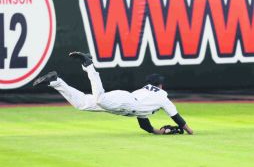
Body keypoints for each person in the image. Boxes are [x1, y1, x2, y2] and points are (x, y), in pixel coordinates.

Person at [33, 51, 193, 135]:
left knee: (81, 104)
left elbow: (144, 124)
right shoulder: (162, 96)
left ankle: (56, 81)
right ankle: (88, 64)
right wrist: (190, 131)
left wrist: (159, 132)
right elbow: (176, 117)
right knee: (100, 98)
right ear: (160, 85)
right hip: (126, 102)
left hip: (125, 102)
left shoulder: (146, 92)